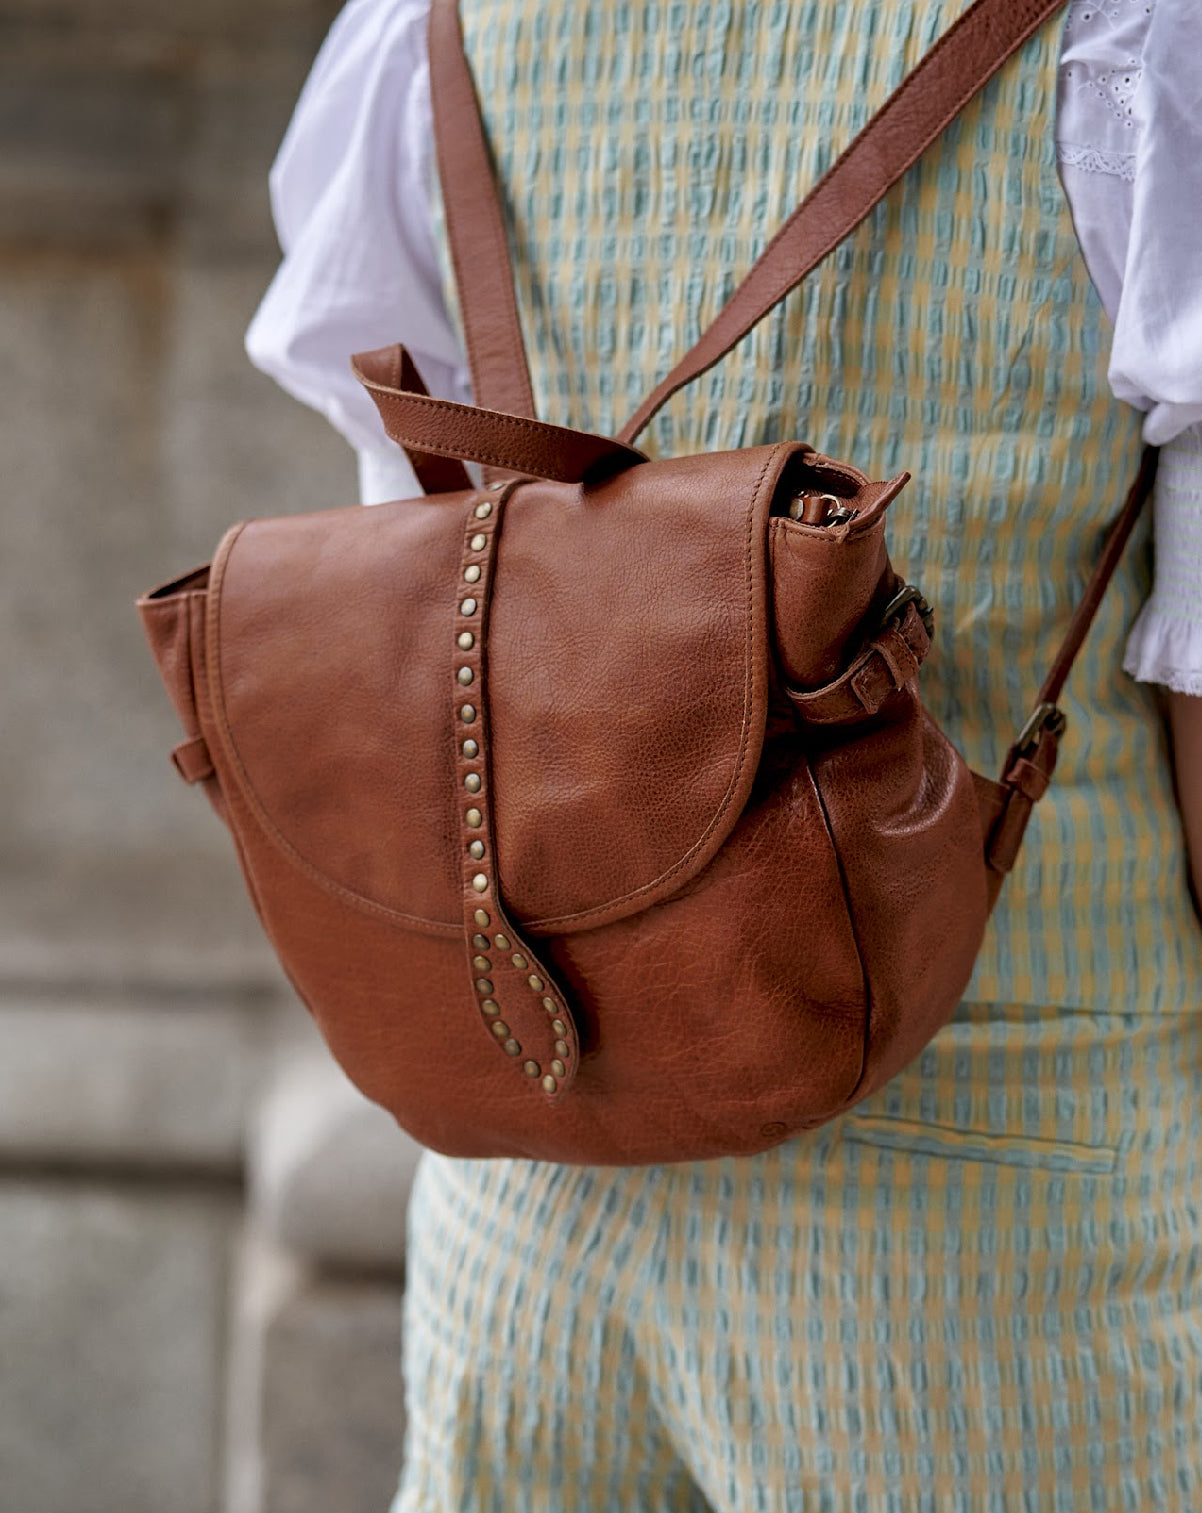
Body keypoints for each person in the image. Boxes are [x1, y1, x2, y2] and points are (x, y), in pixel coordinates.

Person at [247, 0, 1202, 1506]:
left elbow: (426, 593)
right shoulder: (1139, 35)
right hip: (1002, 1246)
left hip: (535, 1197)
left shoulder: (434, 23)